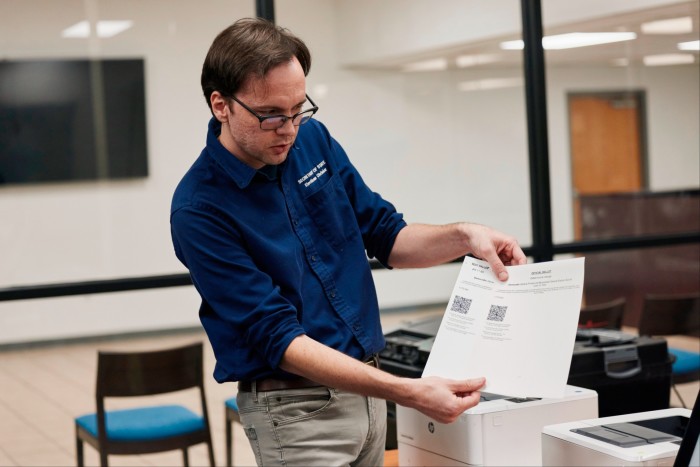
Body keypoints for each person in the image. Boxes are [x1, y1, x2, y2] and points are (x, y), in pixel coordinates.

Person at [170, 17, 527, 466]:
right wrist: (408, 391)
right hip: (295, 412)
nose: (289, 129)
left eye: (299, 109)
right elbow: (278, 338)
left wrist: (464, 236)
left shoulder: (312, 141)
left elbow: (387, 235)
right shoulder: (199, 209)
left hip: (368, 392)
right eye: (271, 115)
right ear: (221, 105)